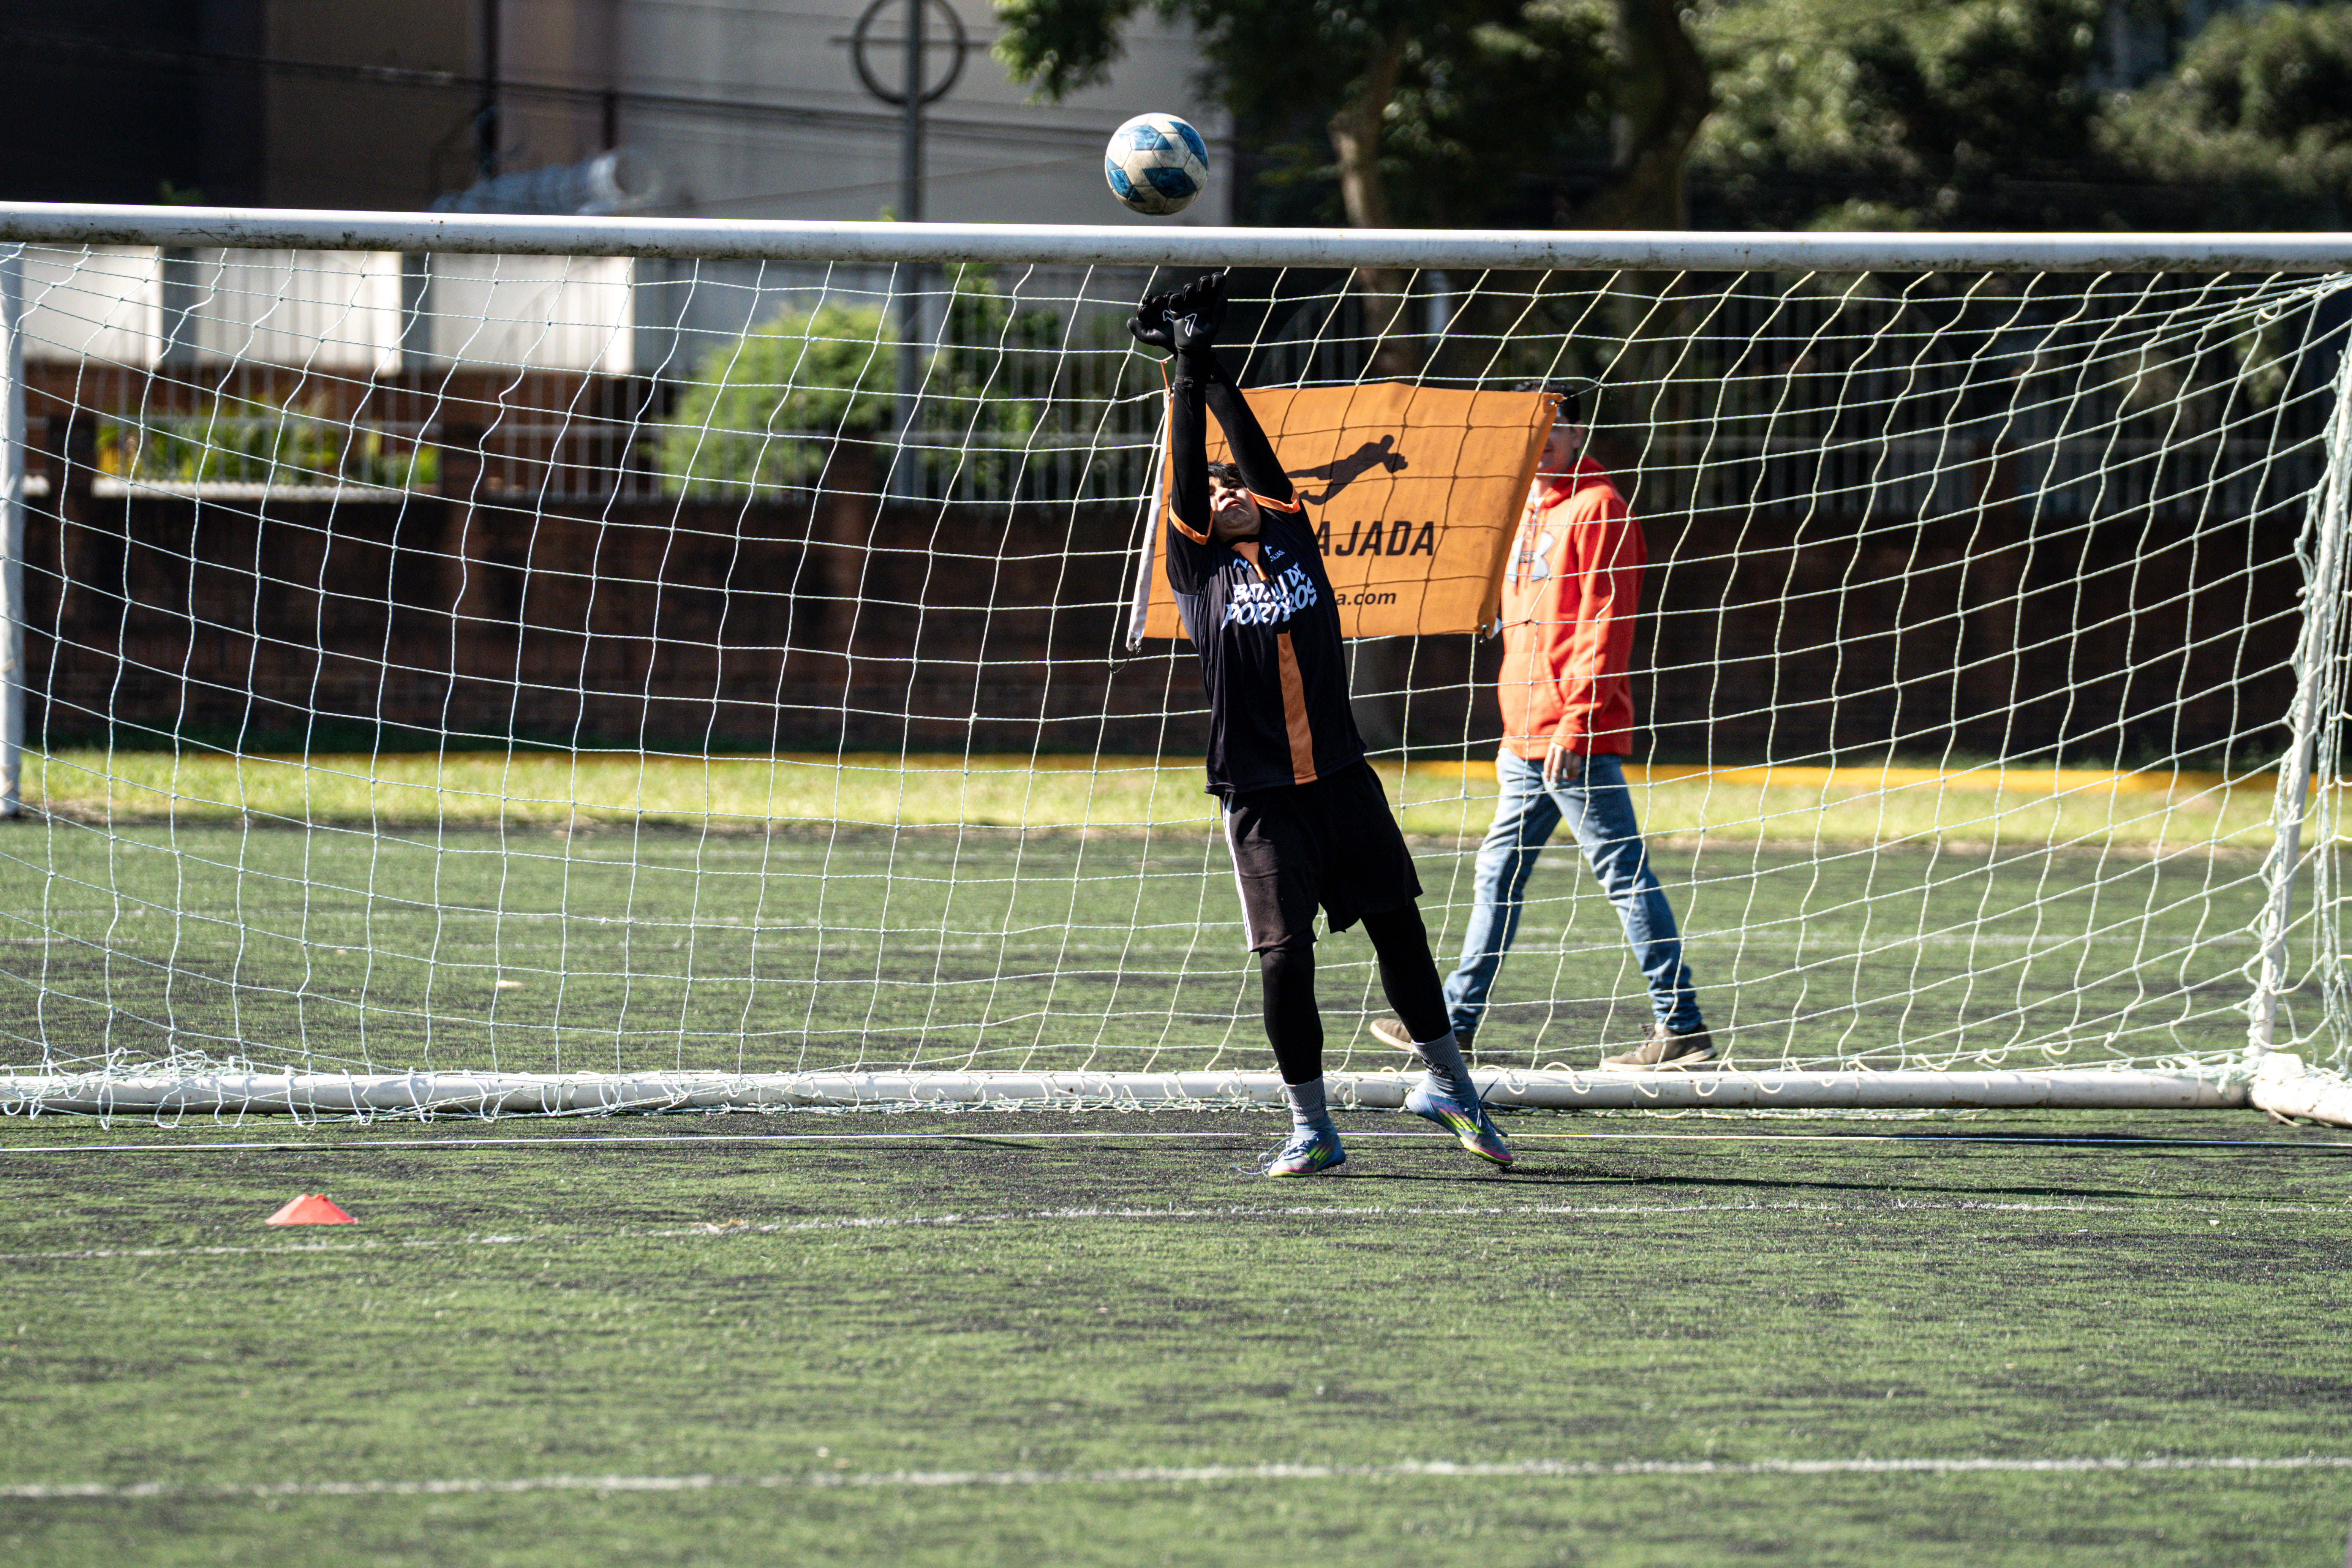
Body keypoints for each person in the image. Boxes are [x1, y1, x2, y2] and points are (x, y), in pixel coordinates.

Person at [1132, 270, 1514, 1175]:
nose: (1225, 491)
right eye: (1213, 493)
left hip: (1342, 777)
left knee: (1400, 933)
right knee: (1284, 960)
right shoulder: (1199, 574)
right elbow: (1189, 467)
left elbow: (1252, 455)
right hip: (1262, 797)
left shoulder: (1295, 539)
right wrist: (1183, 373)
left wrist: (1212, 367)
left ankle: (1450, 1086)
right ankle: (1312, 1125)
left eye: (1237, 488)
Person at [1374, 382, 1713, 1070]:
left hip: (1570, 736)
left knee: (1623, 875)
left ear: (1579, 433)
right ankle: (1453, 1025)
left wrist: (1575, 722)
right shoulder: (1525, 511)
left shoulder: (1600, 507)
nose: (1546, 440)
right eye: (1535, 431)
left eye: (1557, 427)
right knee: (1496, 877)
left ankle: (1682, 1027)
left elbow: (1605, 625)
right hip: (1524, 734)